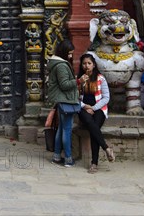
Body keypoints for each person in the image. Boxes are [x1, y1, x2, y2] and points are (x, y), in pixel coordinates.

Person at [77, 53, 115, 173]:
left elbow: (106, 97)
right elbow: (74, 97)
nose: (86, 66)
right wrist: (84, 106)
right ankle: (107, 148)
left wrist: (93, 108)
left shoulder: (100, 78)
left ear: (93, 65)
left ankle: (94, 163)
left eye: (89, 63)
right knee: (89, 122)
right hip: (83, 109)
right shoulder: (78, 79)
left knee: (94, 127)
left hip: (99, 108)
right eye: (84, 63)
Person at [47, 39, 79, 167]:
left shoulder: (58, 64)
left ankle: (56, 156)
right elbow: (65, 85)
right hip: (65, 99)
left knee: (61, 129)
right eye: (69, 53)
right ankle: (68, 158)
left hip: (61, 100)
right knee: (66, 130)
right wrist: (78, 81)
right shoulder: (61, 66)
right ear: (64, 52)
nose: (71, 56)